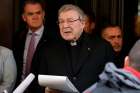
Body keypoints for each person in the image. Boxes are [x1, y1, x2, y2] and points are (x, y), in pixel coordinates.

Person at [38, 4, 115, 92]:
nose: (65, 25)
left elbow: (111, 83)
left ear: (82, 23)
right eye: (61, 21)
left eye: (70, 21)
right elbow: (40, 83)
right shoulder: (48, 50)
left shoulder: (102, 47)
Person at [13, 0, 47, 92]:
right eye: (30, 14)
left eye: (38, 13)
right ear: (24, 17)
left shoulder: (54, 38)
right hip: (19, 88)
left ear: (43, 14)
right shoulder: (18, 37)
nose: (35, 17)